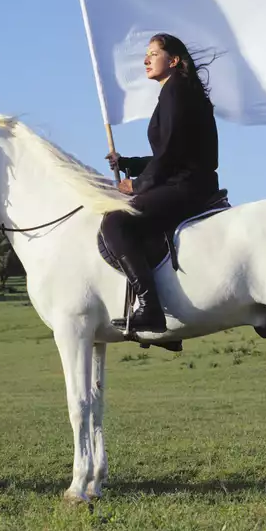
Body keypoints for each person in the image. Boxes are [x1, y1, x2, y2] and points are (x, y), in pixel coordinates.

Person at [101, 33, 220, 333]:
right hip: (188, 180)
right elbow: (173, 152)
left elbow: (169, 154)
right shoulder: (179, 90)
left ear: (174, 60)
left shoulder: (176, 92)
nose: (146, 60)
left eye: (153, 54)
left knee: (115, 222)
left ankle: (150, 308)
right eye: (147, 54)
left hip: (186, 187)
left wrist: (137, 185)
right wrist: (128, 164)